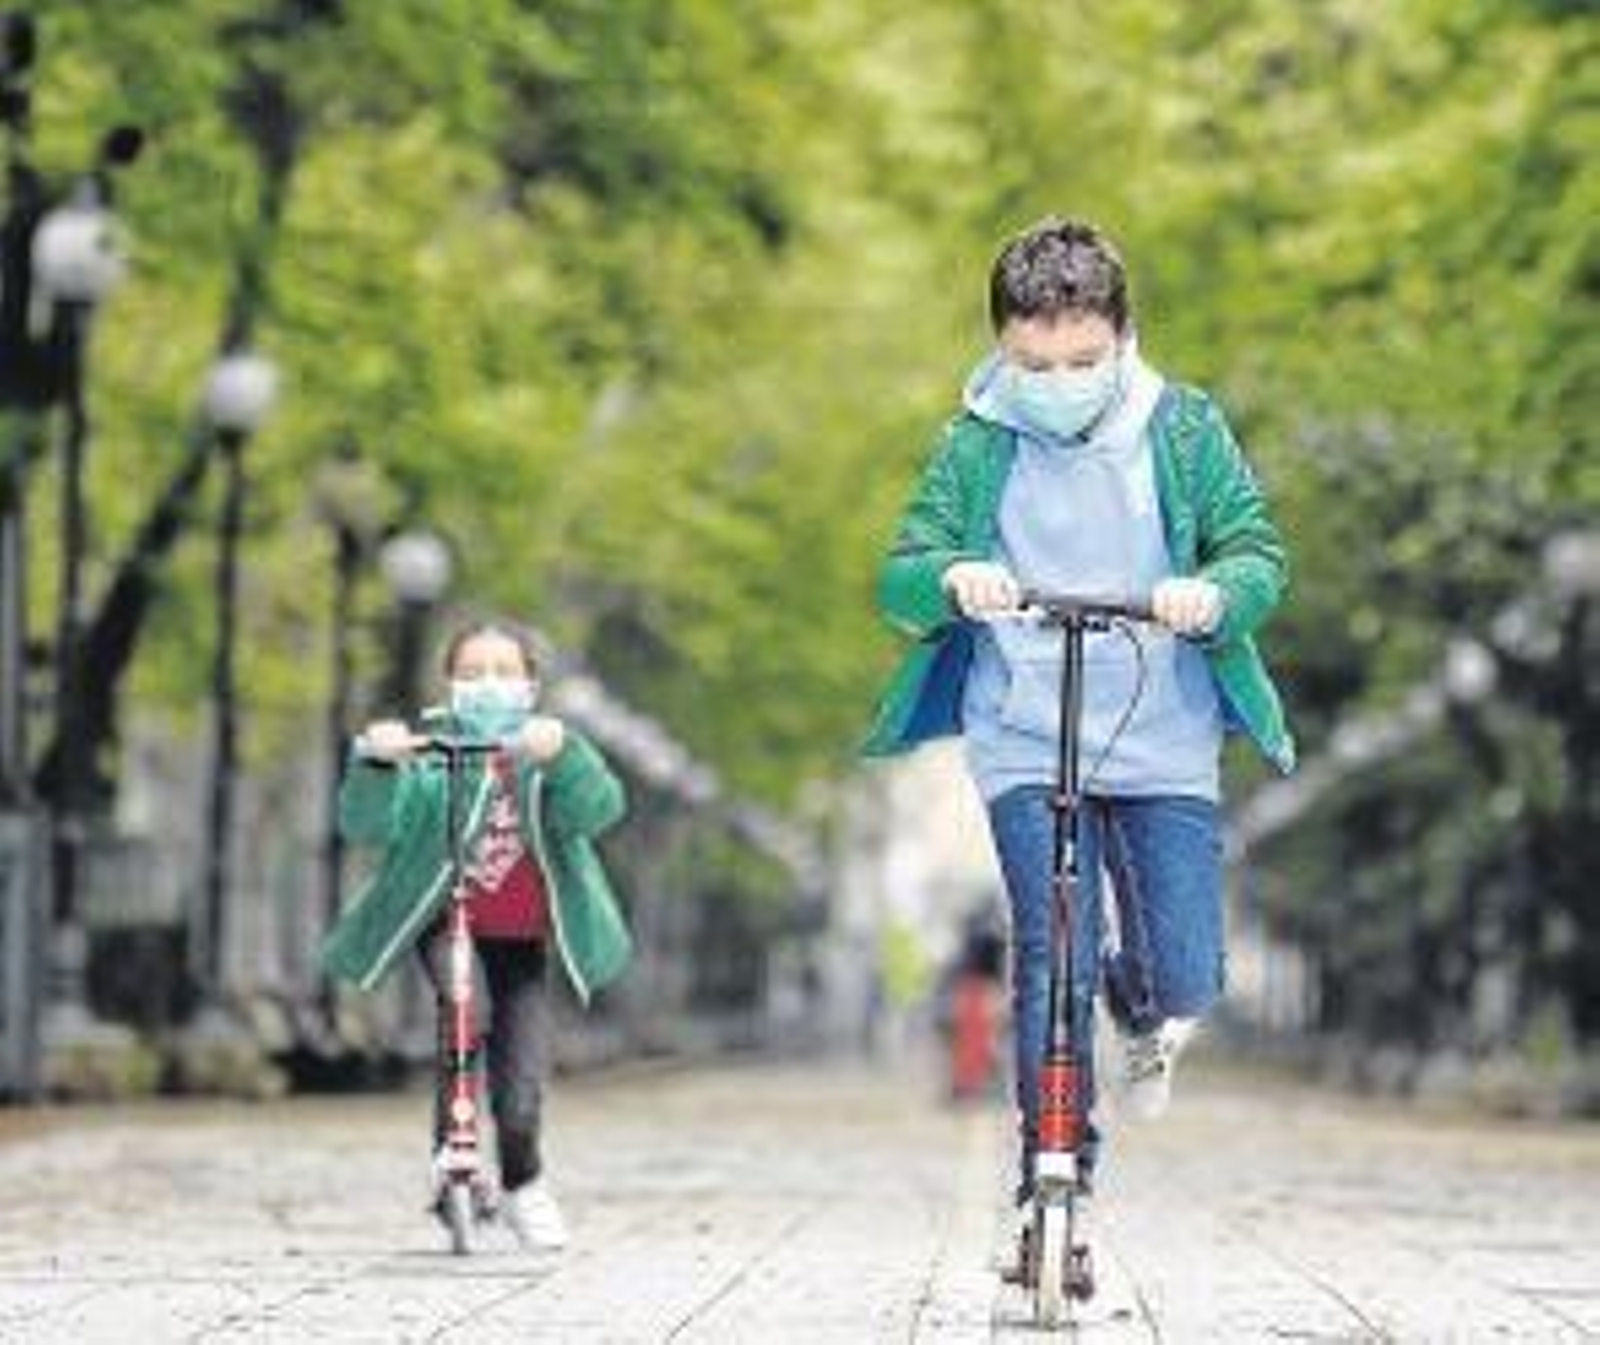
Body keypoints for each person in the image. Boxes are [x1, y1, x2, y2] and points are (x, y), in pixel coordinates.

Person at [862, 216, 1294, 1276]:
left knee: (1183, 975)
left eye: (1082, 361)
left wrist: (1213, 593)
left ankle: (1138, 995)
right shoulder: (976, 438)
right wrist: (950, 576)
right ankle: (1052, 1185)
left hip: (1163, 737)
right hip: (1024, 730)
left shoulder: (1183, 427)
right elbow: (903, 572)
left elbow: (1256, 551)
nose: (1057, 384)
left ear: (1123, 337)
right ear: (1002, 347)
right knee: (1048, 952)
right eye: (1034, 364)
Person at [321, 620, 631, 1251]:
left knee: (521, 1087)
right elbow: (368, 825)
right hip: (448, 923)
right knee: (467, 1011)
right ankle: (453, 1163)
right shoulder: (431, 758)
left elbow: (599, 809)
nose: (487, 685)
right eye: (471, 673)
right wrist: (377, 762)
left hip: (522, 942)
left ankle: (524, 1181)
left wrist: (565, 754)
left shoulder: (545, 757)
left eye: (503, 672)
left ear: (531, 686)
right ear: (449, 686)